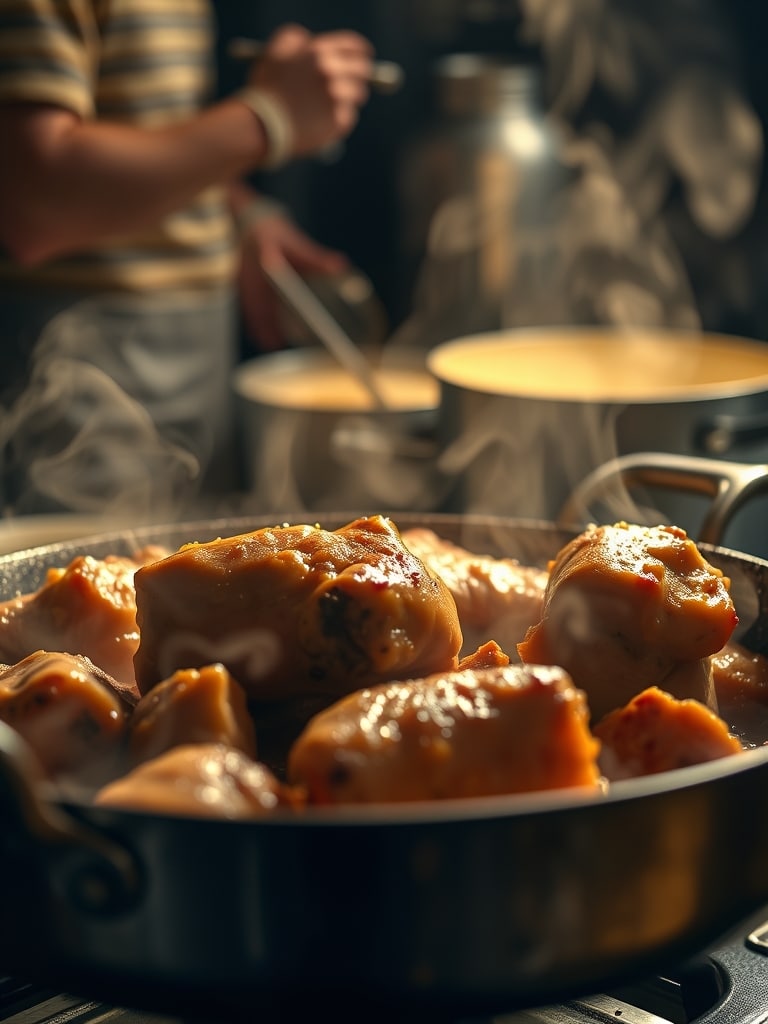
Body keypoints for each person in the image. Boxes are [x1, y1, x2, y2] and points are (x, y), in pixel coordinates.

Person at [0, 7, 375, 517]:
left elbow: (145, 124)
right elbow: (34, 201)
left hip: (195, 373)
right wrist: (269, 117)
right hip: (75, 389)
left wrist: (240, 213)